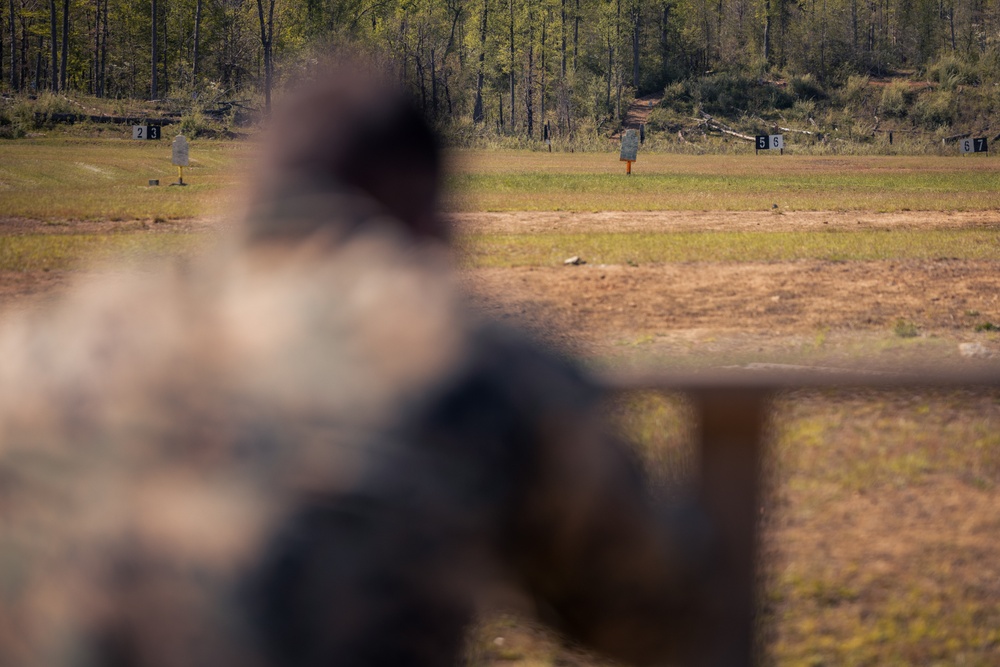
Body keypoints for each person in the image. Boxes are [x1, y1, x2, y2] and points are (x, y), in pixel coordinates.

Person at [0, 62, 717, 667]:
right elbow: (654, 609)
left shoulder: (35, 346)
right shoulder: (456, 351)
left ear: (251, 194)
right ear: (426, 221)